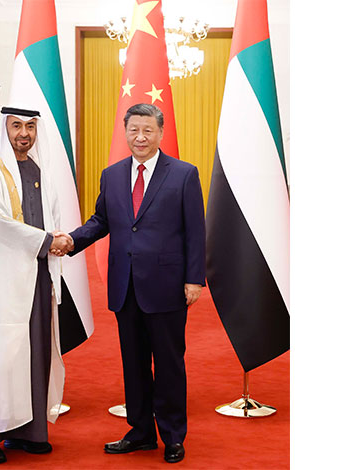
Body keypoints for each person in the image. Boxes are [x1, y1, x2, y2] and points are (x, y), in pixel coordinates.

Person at [55, 103, 205, 464]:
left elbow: (196, 231)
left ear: (160, 133)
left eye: (147, 130)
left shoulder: (184, 174)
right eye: (134, 130)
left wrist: (194, 279)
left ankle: (172, 436)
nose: (140, 137)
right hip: (125, 285)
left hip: (168, 286)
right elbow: (101, 220)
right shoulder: (112, 175)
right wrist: (72, 240)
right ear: (125, 132)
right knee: (134, 364)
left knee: (169, 364)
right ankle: (140, 432)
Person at [0, 106, 73, 465]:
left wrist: (55, 242)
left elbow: (51, 216)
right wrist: (48, 241)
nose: (24, 134)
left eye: (30, 127)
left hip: (37, 277)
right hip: (0, 283)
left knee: (35, 353)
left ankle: (29, 432)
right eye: (16, 126)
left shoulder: (40, 170)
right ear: (4, 128)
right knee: (0, 356)